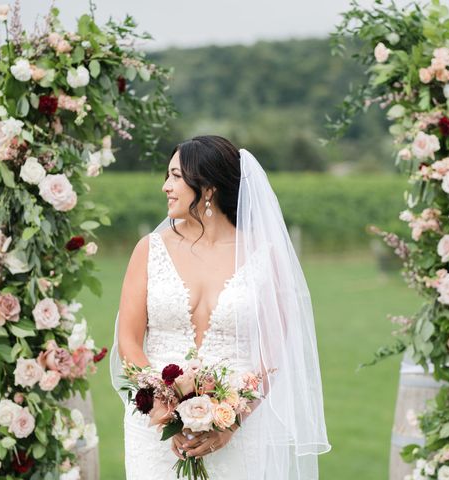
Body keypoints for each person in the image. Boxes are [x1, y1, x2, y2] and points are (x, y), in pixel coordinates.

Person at [110, 135, 330, 479]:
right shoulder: (149, 249)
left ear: (208, 187)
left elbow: (272, 356)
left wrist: (232, 421)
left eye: (176, 177)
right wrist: (163, 407)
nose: (166, 187)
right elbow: (129, 341)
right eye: (167, 176)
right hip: (156, 431)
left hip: (238, 430)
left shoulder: (264, 256)